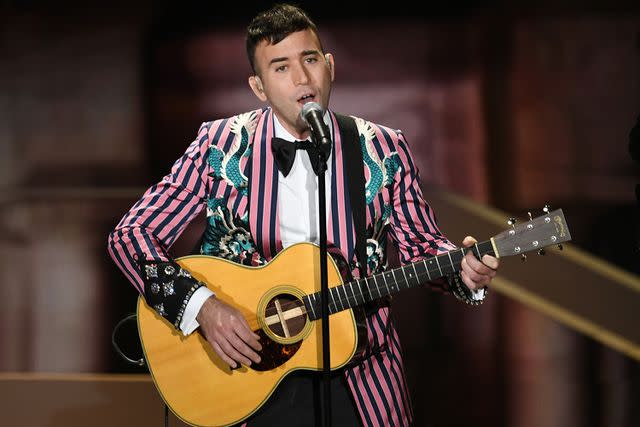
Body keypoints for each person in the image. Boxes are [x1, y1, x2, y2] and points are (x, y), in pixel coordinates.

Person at [108, 4, 499, 426]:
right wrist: (203, 307)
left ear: (329, 66)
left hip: (360, 374)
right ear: (258, 87)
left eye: (309, 60)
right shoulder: (217, 145)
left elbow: (423, 247)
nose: (301, 79)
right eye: (281, 67)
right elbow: (130, 236)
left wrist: (463, 272)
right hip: (244, 372)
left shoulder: (383, 148)